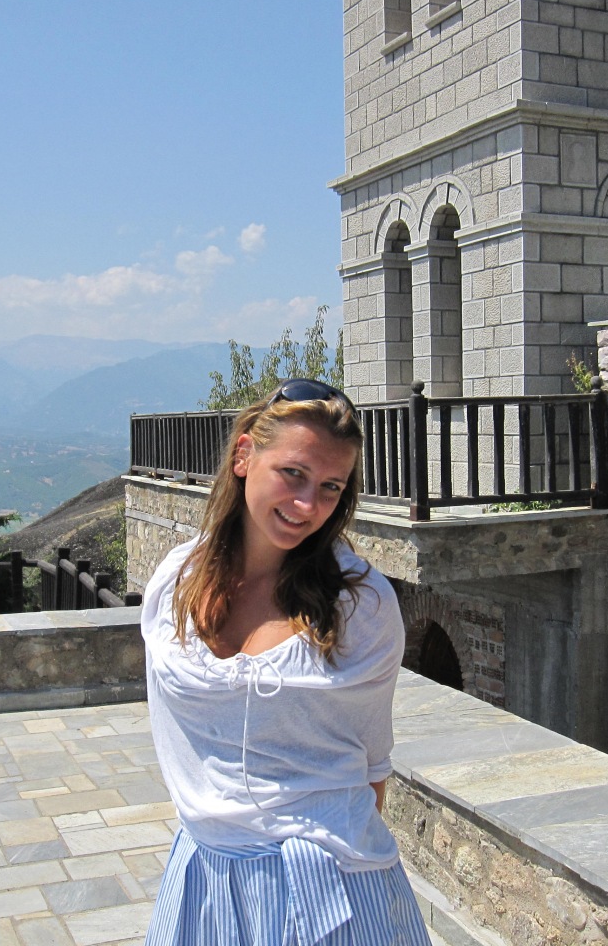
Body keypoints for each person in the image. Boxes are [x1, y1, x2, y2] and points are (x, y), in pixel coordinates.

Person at [141, 379, 431, 945]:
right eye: (293, 473)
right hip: (205, 880)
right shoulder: (175, 582)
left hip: (329, 887)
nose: (307, 506)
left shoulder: (359, 607)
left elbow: (373, 767)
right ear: (244, 455)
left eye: (330, 487)